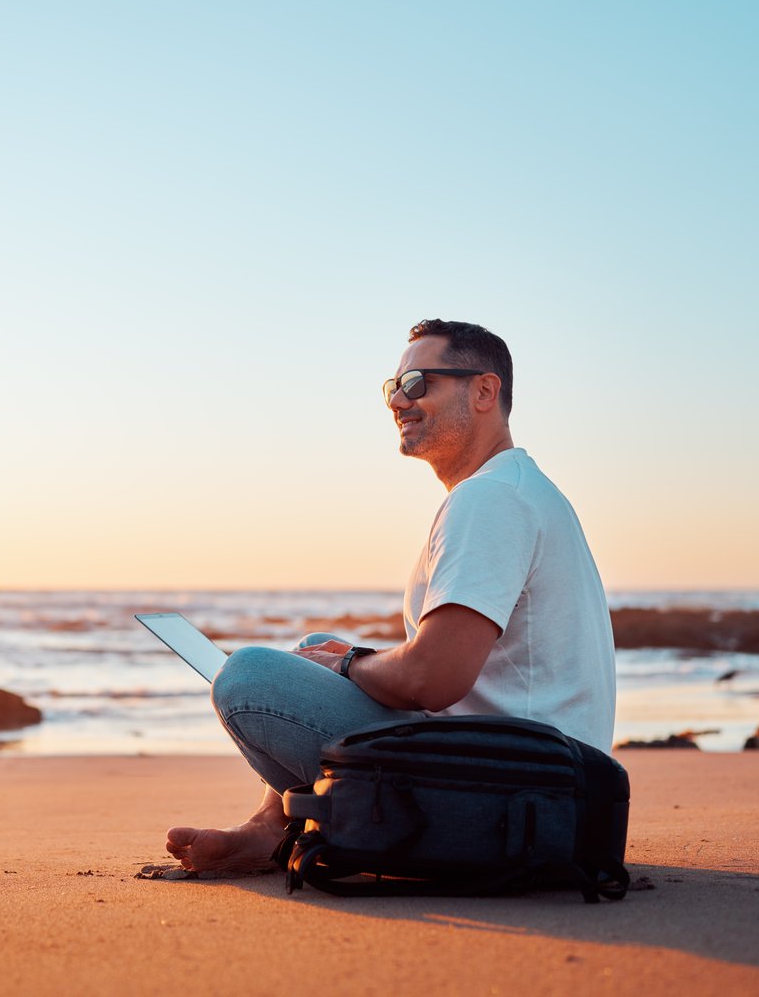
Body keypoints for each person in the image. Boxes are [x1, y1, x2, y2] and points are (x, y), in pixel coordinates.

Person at [166, 319, 616, 875]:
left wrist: (350, 664)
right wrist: (344, 661)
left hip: (516, 790)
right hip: (545, 782)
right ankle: (269, 827)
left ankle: (284, 828)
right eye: (393, 387)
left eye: (418, 383)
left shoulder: (490, 500)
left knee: (248, 676)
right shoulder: (517, 489)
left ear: (484, 391)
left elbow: (434, 678)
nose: (398, 402)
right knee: (312, 649)